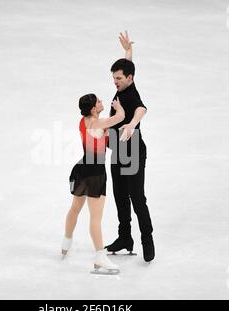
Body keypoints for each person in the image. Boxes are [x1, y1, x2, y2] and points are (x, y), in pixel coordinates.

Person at [105, 31, 155, 263]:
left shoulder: (132, 95)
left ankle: (147, 238)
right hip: (118, 151)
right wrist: (128, 51)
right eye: (114, 78)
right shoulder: (124, 86)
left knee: (136, 197)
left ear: (129, 79)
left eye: (118, 78)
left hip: (133, 152)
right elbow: (129, 66)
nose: (114, 81)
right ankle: (125, 237)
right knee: (120, 197)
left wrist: (132, 125)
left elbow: (141, 109)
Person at [61, 93, 125, 275]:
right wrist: (118, 105)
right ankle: (99, 256)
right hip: (95, 173)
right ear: (93, 109)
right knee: (95, 217)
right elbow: (120, 117)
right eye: (98, 101)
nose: (101, 102)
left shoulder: (84, 121)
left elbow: (98, 136)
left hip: (83, 168)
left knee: (75, 208)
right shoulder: (97, 123)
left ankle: (66, 243)